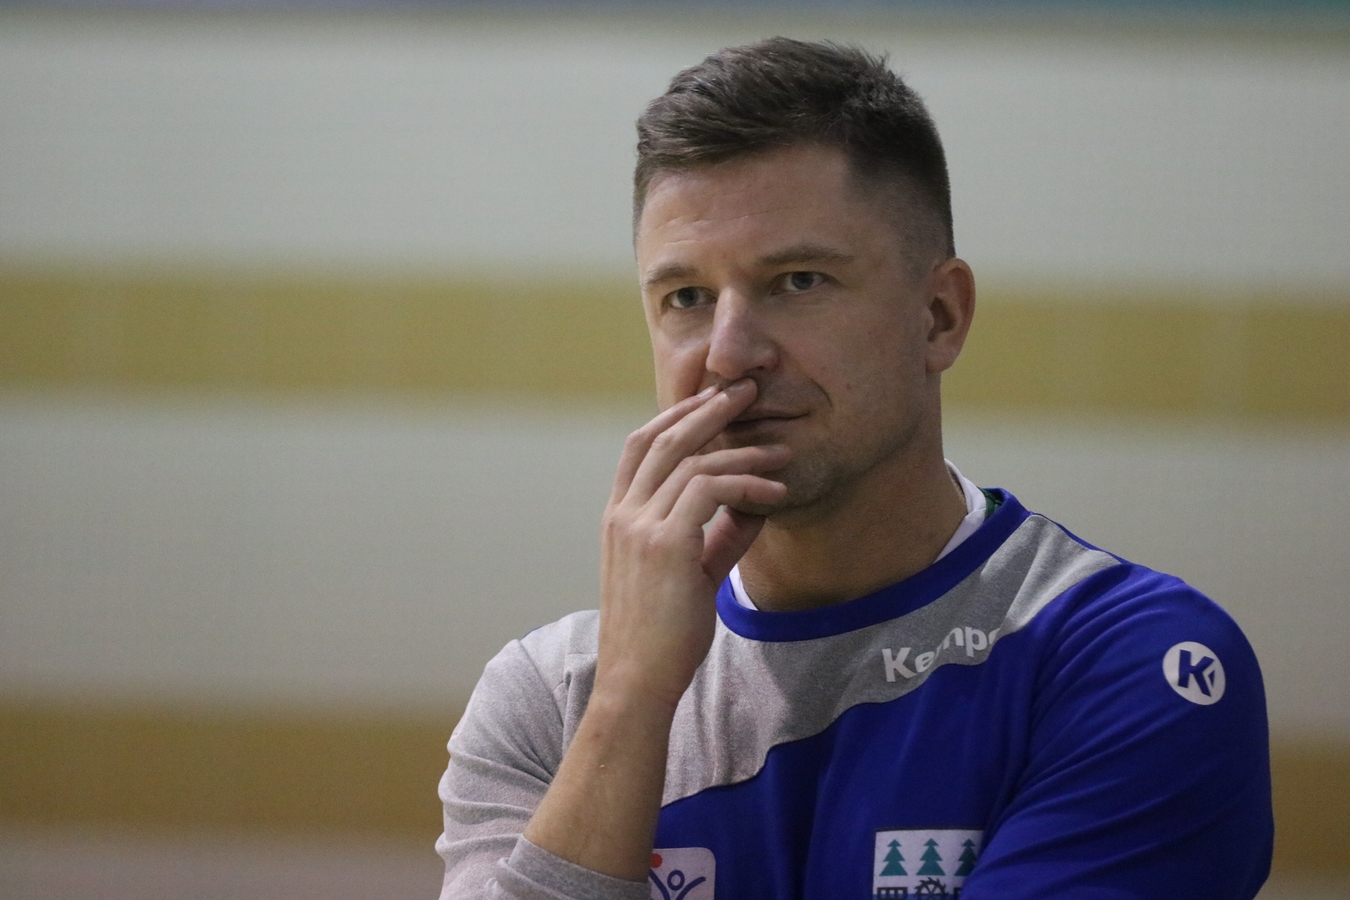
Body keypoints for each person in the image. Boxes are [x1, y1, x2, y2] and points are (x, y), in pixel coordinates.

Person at [436, 38, 1272, 900]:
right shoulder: (550, 698)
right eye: (686, 297)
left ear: (939, 316)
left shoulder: (1131, 660)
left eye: (798, 281)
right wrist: (628, 701)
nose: (728, 354)